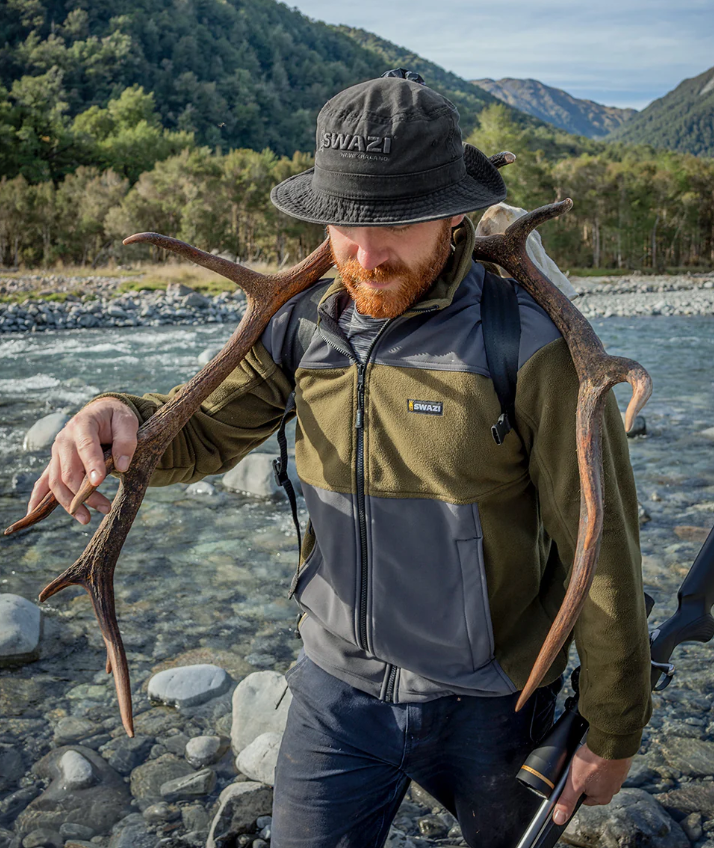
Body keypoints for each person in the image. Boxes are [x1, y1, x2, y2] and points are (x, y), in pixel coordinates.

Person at [27, 72, 652, 848]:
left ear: (455, 213)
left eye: (394, 224)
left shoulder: (526, 346)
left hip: (495, 703)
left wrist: (613, 724)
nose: (363, 256)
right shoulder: (299, 325)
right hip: (334, 695)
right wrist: (112, 412)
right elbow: (194, 437)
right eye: (343, 225)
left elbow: (606, 547)